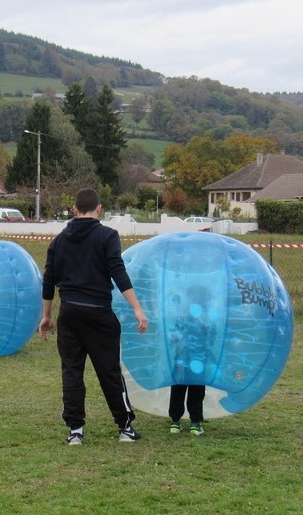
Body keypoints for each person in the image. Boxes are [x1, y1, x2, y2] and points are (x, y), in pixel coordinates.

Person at [39, 188, 148, 445]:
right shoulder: (107, 236)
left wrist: (46, 316)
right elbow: (118, 271)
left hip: (69, 313)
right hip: (99, 314)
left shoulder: (58, 241)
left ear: (75, 209)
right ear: (99, 209)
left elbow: (48, 280)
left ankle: (75, 430)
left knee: (72, 372)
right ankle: (124, 428)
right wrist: (137, 308)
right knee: (109, 371)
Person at [168, 285, 214, 437]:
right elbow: (211, 337)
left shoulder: (183, 315)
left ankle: (175, 422)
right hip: (198, 362)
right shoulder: (206, 317)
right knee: (196, 390)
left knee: (178, 388)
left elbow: (174, 335)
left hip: (181, 360)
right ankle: (195, 423)